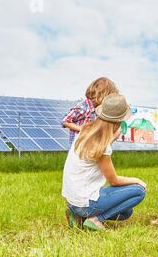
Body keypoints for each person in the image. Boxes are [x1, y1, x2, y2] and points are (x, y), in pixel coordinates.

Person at [62, 93, 147, 231]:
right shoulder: (103, 147)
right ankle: (95, 219)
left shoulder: (85, 130)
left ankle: (78, 216)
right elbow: (114, 181)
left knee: (126, 212)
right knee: (139, 191)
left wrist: (112, 137)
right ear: (119, 121)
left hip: (73, 201)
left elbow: (97, 147)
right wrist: (137, 180)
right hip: (84, 203)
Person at [62, 77, 119, 146]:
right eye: (107, 98)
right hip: (78, 145)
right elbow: (65, 121)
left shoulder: (100, 109)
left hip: (90, 144)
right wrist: (83, 129)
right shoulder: (83, 107)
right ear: (99, 95)